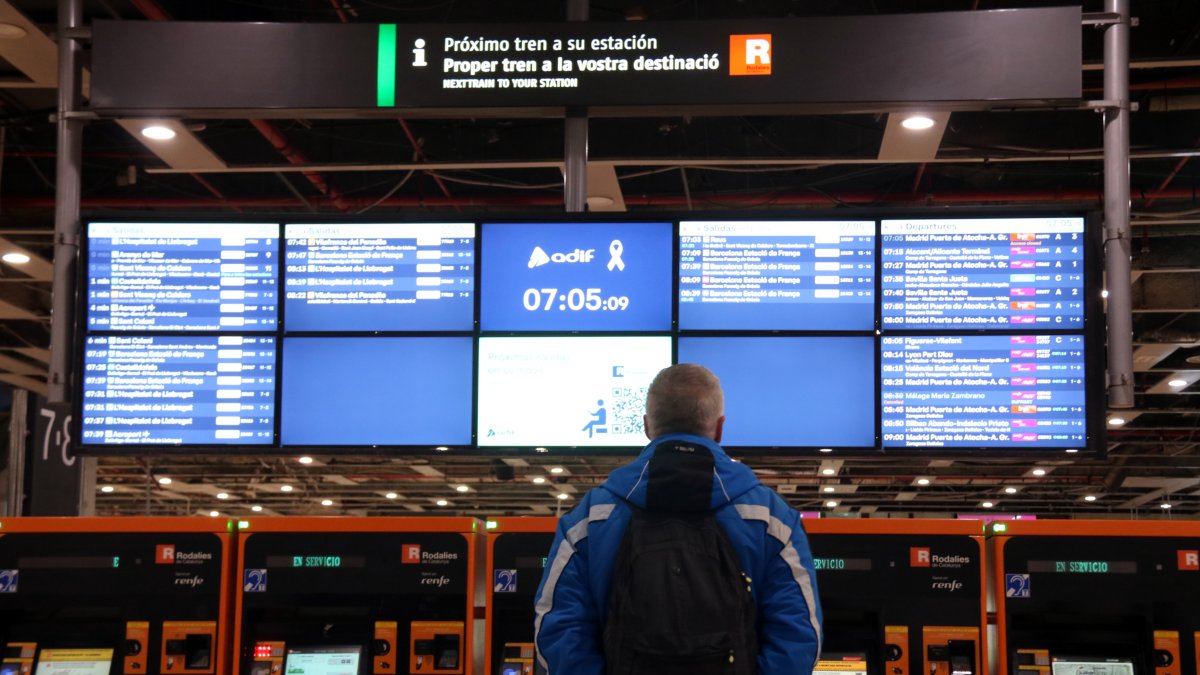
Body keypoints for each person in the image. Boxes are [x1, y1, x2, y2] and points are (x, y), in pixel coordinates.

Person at [533, 363, 823, 675]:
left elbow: (557, 628)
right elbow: (799, 638)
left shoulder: (590, 517)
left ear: (646, 425)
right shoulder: (771, 518)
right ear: (720, 427)